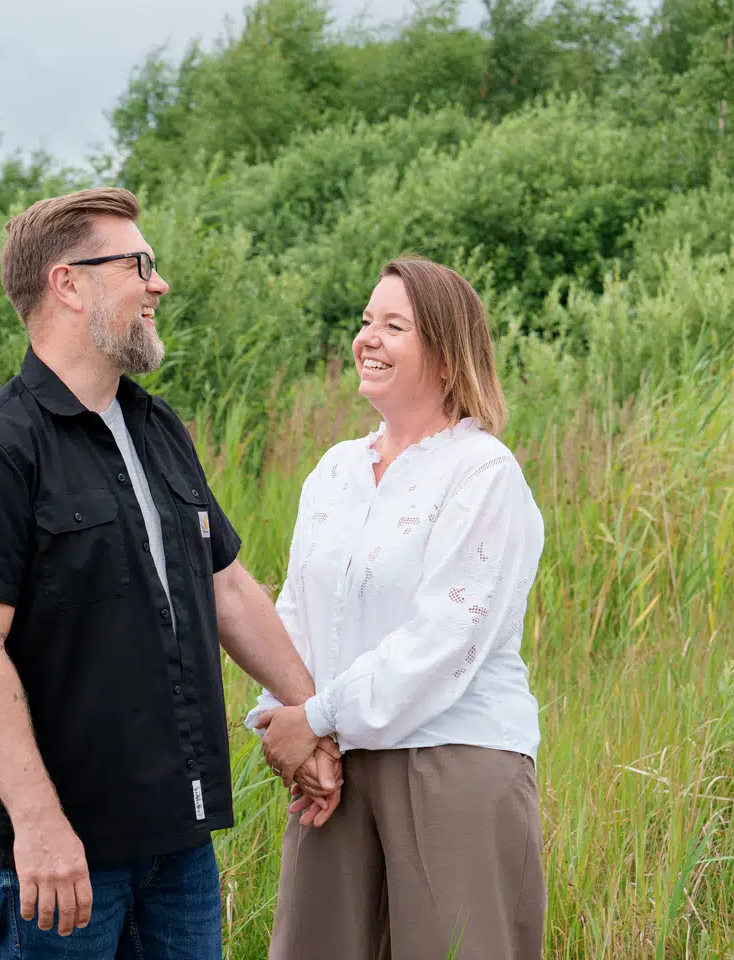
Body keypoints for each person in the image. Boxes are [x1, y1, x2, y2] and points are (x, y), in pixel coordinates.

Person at [0, 187, 340, 960]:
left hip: (178, 842)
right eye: (138, 264)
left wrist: (313, 716)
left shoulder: (156, 425)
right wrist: (39, 825)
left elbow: (227, 588)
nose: (159, 284)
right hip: (63, 857)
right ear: (68, 284)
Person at [249, 256, 547, 959]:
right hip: (336, 768)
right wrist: (294, 731)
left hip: (455, 760)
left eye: (393, 325)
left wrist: (317, 719)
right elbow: (295, 614)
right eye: (364, 322)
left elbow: (447, 636)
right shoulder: (334, 471)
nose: (367, 339)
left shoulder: (482, 472)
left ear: (445, 356)